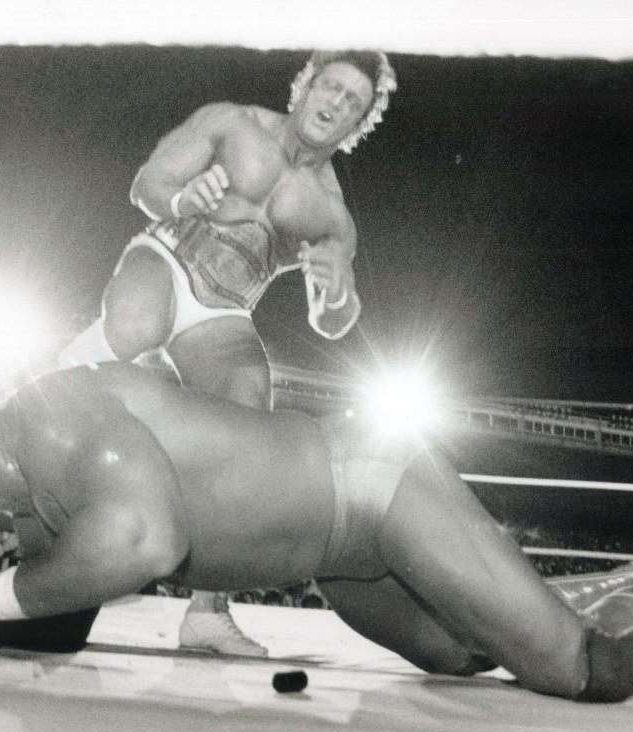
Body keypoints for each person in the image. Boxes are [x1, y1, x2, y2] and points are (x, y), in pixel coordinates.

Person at [0, 362, 633, 706]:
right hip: (337, 558)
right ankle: (608, 579)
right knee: (461, 651)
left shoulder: (51, 413)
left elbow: (144, 538)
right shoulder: (20, 497)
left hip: (374, 486)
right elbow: (59, 611)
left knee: (583, 673)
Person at [56, 50, 398, 656]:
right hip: (165, 255)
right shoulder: (229, 121)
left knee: (248, 407)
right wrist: (185, 200)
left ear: (359, 125)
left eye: (353, 103)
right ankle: (52, 387)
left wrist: (340, 296)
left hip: (224, 311)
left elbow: (332, 320)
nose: (336, 105)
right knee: (133, 326)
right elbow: (147, 185)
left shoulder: (334, 216)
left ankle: (207, 616)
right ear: (305, 86)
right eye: (331, 88)